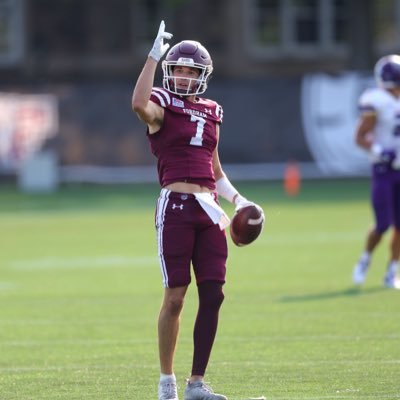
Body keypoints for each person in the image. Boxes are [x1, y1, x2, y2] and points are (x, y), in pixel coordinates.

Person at [132, 21, 264, 400]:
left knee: (214, 294)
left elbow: (216, 171)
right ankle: (166, 383)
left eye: (192, 72)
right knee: (175, 296)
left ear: (203, 76)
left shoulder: (211, 112)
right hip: (175, 207)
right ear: (169, 72)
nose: (185, 78)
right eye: (179, 70)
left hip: (209, 210)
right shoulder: (161, 105)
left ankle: (196, 383)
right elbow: (139, 105)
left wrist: (240, 201)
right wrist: (153, 57)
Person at [352, 54, 400, 289]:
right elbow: (360, 137)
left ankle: (392, 271)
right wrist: (381, 151)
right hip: (384, 170)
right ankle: (366, 258)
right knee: (382, 225)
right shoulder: (376, 100)